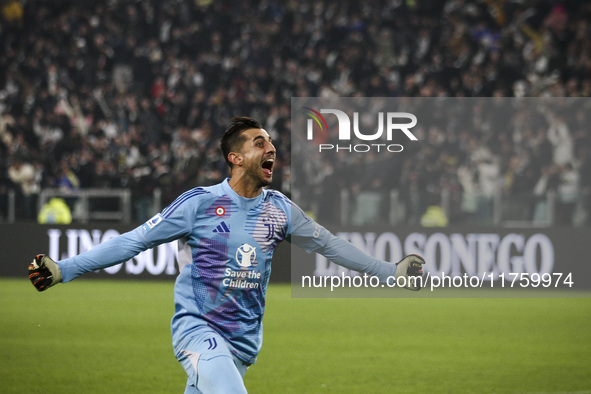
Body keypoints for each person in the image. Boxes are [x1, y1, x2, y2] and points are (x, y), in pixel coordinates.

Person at [28, 117, 425, 394]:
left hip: (244, 343)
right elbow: (132, 241)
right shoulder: (199, 204)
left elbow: (330, 245)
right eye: (259, 143)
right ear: (235, 158)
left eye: (271, 143)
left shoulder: (280, 210)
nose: (271, 148)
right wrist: (65, 269)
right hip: (199, 331)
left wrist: (390, 271)